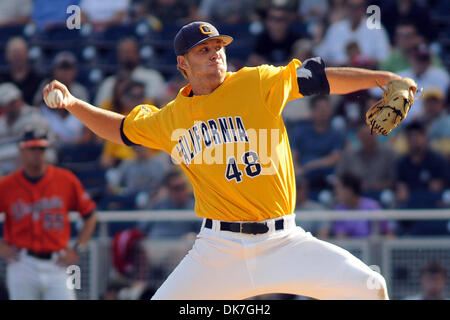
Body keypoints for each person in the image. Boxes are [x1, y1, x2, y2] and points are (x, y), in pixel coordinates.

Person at [43, 20, 403, 300]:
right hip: (218, 249)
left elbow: (318, 78)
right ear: (183, 64)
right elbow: (120, 129)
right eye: (204, 49)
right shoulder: (171, 117)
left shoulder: (256, 83)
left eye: (218, 46)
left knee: (370, 287)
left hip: (284, 242)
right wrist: (73, 103)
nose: (215, 52)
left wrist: (382, 79)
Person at [0, 127, 98, 300]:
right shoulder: (6, 185)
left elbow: (90, 215)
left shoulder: (65, 179)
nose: (37, 153)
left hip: (58, 263)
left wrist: (78, 249)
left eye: (41, 148)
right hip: (22, 262)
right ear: (22, 150)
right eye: (32, 148)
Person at [289, 95, 346, 191]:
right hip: (303, 176)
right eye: (319, 108)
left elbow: (335, 158)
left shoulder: (336, 133)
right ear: (312, 111)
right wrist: (298, 169)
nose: (323, 111)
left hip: (327, 176)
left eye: (326, 108)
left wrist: (311, 166)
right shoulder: (299, 130)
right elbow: (293, 156)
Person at [94, 37, 166, 107]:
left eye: (131, 51)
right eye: (124, 52)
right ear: (118, 55)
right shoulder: (109, 82)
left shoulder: (153, 77)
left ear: (138, 53)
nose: (128, 55)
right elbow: (99, 109)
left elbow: (162, 105)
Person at [316, 0, 391, 66]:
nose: (355, 10)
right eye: (351, 6)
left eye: (358, 7)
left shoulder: (376, 28)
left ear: (363, 8)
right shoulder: (335, 29)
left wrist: (365, 62)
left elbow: (385, 59)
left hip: (368, 77)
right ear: (346, 8)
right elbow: (321, 58)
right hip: (339, 76)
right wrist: (343, 64)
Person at [0, 82, 50, 176]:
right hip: (5, 166)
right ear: (3, 106)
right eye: (10, 103)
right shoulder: (2, 122)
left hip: (36, 156)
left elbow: (34, 146)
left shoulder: (34, 116)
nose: (14, 105)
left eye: (15, 101)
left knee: (27, 155)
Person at [336, 123, 398, 194]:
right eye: (364, 135)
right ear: (358, 137)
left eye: (370, 134)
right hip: (354, 196)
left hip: (381, 193)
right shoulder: (349, 155)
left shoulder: (389, 153)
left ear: (376, 135)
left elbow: (394, 180)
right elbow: (339, 177)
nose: (368, 138)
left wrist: (370, 187)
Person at [329, 172, 394, 238]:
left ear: (349, 190)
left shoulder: (372, 207)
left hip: (371, 247)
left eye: (339, 188)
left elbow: (388, 233)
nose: (336, 192)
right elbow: (340, 238)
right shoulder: (338, 210)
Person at [0, 37, 43, 106]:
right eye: (14, 53)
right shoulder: (2, 79)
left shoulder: (38, 79)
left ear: (27, 54)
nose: (17, 57)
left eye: (20, 53)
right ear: (7, 56)